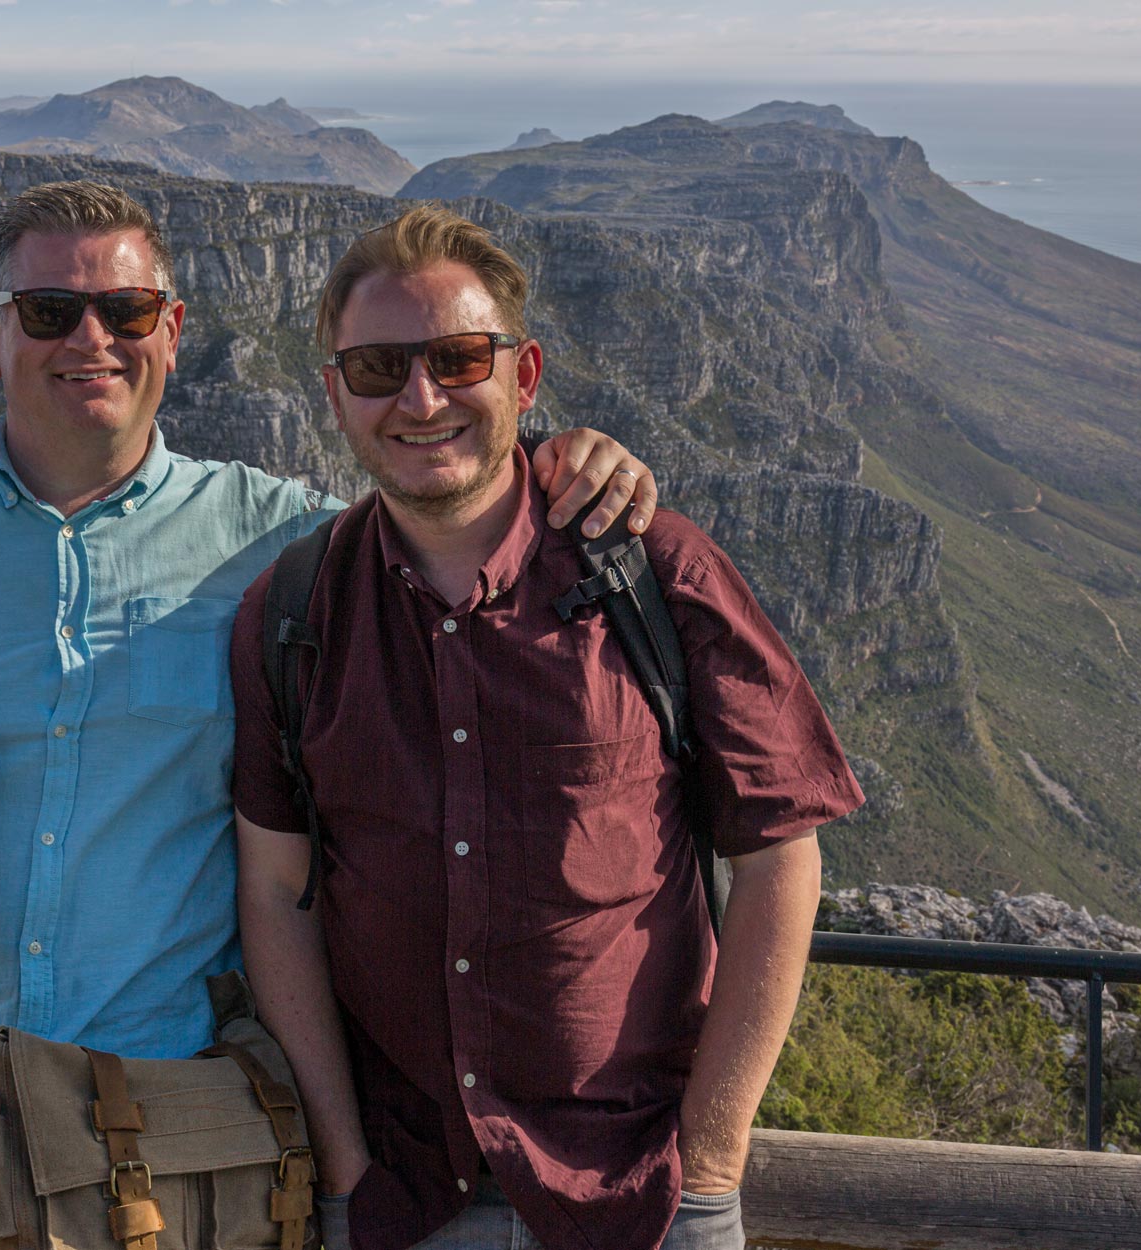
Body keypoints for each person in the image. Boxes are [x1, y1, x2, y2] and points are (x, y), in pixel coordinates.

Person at [0, 180, 662, 1250]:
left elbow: (456, 506)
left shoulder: (289, 546)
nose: (92, 337)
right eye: (50, 312)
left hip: (190, 1152)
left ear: (171, 334)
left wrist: (569, 463)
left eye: (127, 312)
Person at [230, 205, 866, 1250]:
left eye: (458, 356)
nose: (422, 397)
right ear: (335, 394)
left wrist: (708, 1159)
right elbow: (274, 891)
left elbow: (781, 861)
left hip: (641, 1195)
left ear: (523, 378)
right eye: (381, 367)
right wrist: (344, 1163)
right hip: (404, 1196)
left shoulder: (656, 572)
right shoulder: (294, 614)